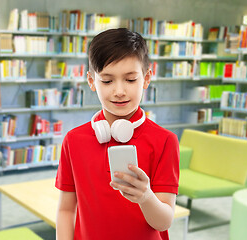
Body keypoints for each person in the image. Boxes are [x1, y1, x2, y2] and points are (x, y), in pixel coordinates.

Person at [55, 28, 180, 240]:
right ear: (92, 81)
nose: (119, 91)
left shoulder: (165, 141)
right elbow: (66, 210)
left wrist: (145, 197)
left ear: (147, 79)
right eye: (107, 81)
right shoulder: (74, 140)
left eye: (130, 80)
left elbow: (164, 222)